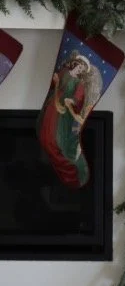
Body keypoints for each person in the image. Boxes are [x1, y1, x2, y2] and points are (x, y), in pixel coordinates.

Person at [37, 50, 103, 187]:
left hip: (64, 114)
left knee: (58, 137)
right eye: (79, 66)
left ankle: (71, 169)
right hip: (52, 107)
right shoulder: (64, 73)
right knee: (46, 132)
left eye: (82, 69)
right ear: (75, 64)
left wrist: (71, 101)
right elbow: (56, 84)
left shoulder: (79, 84)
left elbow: (78, 99)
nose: (80, 69)